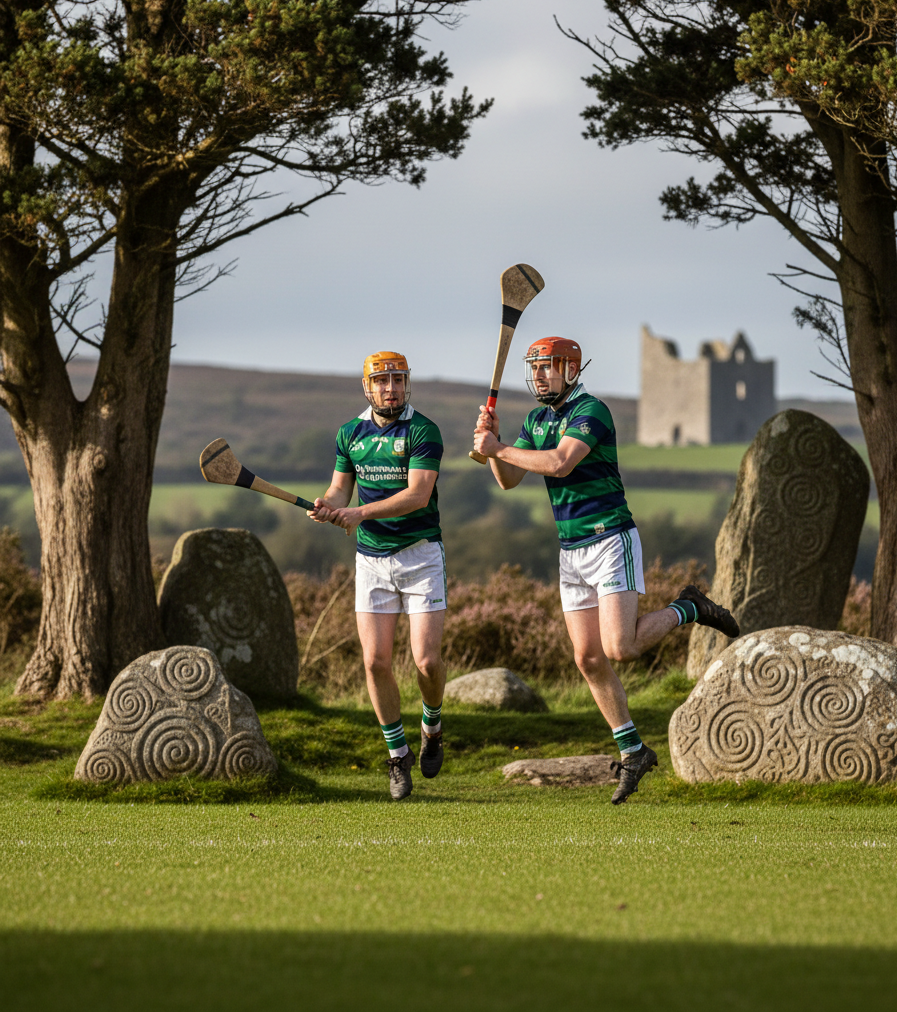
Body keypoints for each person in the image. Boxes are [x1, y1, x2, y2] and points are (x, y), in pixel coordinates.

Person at [473, 336, 739, 804]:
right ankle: (633, 751)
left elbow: (560, 463)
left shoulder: (591, 411)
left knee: (621, 647)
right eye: (535, 367)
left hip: (610, 538)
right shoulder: (536, 420)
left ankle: (689, 607)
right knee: (588, 658)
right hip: (570, 550)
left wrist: (499, 447)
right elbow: (510, 481)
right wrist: (494, 449)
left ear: (572, 370)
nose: (539, 376)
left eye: (548, 367)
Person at [310, 351, 446, 800]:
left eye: (398, 380)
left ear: (407, 384)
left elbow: (418, 494)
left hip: (421, 555)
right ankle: (397, 755)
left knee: (426, 662)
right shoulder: (350, 433)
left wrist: (359, 513)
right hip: (371, 560)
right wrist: (329, 505)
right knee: (375, 662)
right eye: (382, 381)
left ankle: (432, 724)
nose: (391, 389)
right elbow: (340, 487)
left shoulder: (423, 430)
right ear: (367, 387)